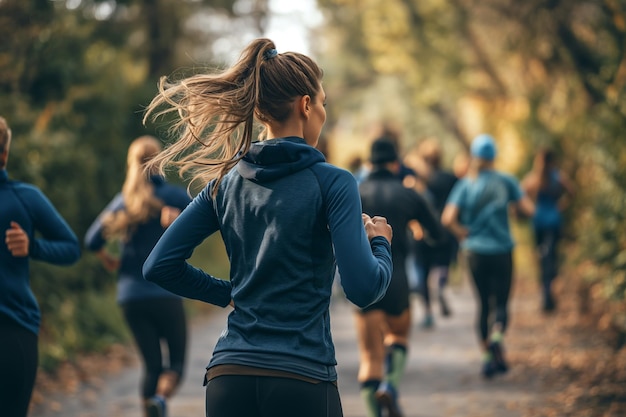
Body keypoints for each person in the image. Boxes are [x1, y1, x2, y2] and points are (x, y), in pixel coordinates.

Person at [141, 38, 393, 417]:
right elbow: (362, 288)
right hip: (302, 377)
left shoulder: (224, 184)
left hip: (229, 378)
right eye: (323, 103)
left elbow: (158, 265)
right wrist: (380, 245)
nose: (323, 113)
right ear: (306, 106)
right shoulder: (334, 182)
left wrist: (231, 293)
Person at [84, 135, 191, 417]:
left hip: (131, 297)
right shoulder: (175, 196)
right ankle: (160, 399)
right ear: (159, 161)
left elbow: (92, 239)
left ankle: (153, 407)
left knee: (152, 366)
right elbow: (202, 226)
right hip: (166, 293)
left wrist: (108, 259)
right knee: (176, 365)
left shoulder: (123, 202)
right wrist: (176, 225)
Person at [0, 116, 81, 417]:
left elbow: (71, 248)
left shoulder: (25, 197)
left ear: (3, 155)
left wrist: (32, 246)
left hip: (11, 333)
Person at [357, 138, 443, 417]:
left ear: (370, 164)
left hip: (364, 282)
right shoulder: (409, 194)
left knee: (370, 357)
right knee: (399, 336)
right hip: (397, 279)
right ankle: (391, 386)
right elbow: (436, 232)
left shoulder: (354, 192)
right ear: (396, 164)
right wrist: (422, 233)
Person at [441, 134, 534, 379]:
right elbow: (528, 210)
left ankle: (486, 359)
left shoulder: (466, 183)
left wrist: (462, 233)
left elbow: (448, 219)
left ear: (474, 156)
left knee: (483, 304)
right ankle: (497, 336)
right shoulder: (506, 181)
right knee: (501, 303)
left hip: (474, 252)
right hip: (502, 250)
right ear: (494, 156)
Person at [412, 138, 459, 326]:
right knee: (442, 264)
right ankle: (440, 284)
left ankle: (428, 312)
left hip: (421, 232)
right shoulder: (451, 178)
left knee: (422, 271)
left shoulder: (416, 180)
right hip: (444, 230)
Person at [521, 147, 575, 312]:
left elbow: (520, 193)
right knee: (552, 257)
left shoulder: (533, 178)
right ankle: (549, 287)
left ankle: (545, 290)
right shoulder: (557, 177)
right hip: (554, 222)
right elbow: (572, 192)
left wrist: (531, 207)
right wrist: (561, 206)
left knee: (541, 256)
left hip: (538, 222)